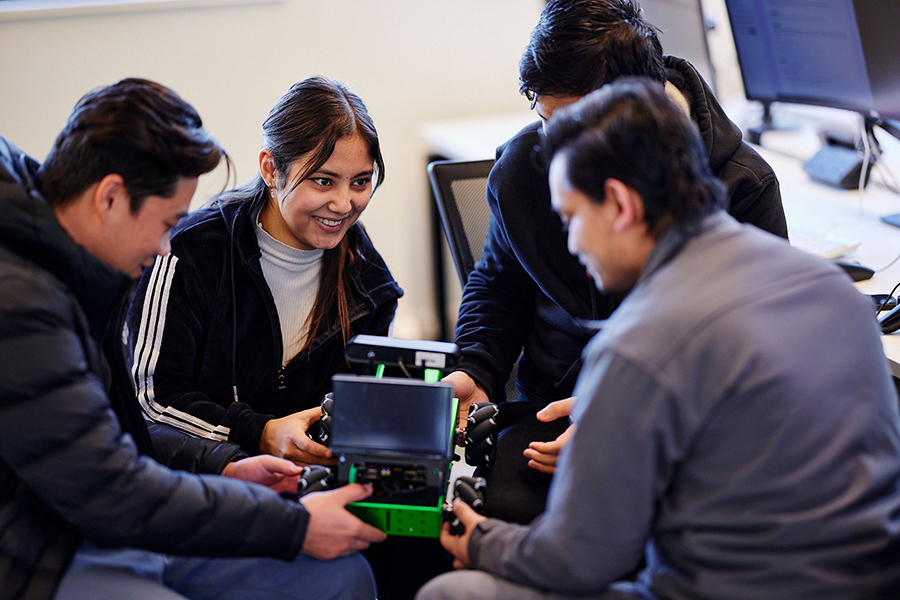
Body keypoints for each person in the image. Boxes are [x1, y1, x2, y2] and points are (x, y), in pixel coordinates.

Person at [418, 78, 900, 600]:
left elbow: (576, 562)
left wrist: (481, 539)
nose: (571, 241)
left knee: (451, 592)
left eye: (572, 218)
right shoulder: (833, 288)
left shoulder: (638, 346)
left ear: (620, 205)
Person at [0, 78, 387, 600]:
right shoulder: (25, 307)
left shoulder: (78, 267)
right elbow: (115, 486)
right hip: (45, 547)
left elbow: (117, 441)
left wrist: (224, 463)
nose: (164, 247)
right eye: (165, 223)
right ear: (110, 197)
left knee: (347, 576)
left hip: (115, 513)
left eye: (360, 182)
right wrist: (288, 523)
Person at [445, 0, 789, 525]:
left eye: (576, 131)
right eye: (546, 123)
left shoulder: (741, 184)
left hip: (675, 425)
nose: (557, 155)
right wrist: (477, 365)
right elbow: (498, 283)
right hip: (551, 410)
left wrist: (625, 424)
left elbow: (752, 363)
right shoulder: (524, 169)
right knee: (479, 510)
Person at [127, 76, 402, 465]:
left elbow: (360, 409)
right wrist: (258, 433)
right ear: (271, 169)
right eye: (323, 181)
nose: (344, 204)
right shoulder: (189, 251)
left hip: (306, 483)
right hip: (201, 480)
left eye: (360, 182)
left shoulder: (368, 278)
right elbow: (151, 398)